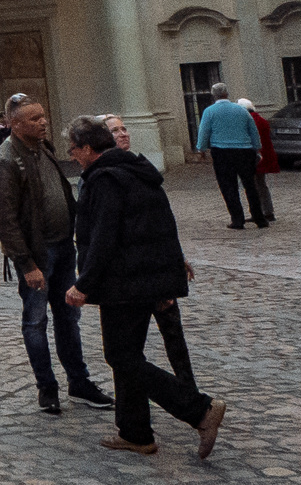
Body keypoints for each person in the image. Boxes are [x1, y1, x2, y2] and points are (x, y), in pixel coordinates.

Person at [62, 117, 228, 459]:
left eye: (74, 149)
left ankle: (198, 409)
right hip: (140, 278)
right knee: (128, 356)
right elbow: (161, 223)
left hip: (125, 282)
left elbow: (104, 238)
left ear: (89, 149)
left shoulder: (106, 179)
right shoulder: (135, 170)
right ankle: (135, 431)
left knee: (120, 356)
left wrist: (84, 284)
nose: (72, 155)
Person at [0, 95, 112, 415]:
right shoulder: (5, 160)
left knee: (68, 318)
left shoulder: (44, 149)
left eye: (42, 116)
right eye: (33, 119)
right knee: (35, 321)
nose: (43, 122)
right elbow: (6, 220)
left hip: (62, 247)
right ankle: (47, 387)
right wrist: (26, 264)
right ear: (14, 124)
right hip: (38, 256)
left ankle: (79, 382)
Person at [100, 115, 195, 385]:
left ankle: (190, 394)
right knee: (127, 350)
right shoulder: (102, 176)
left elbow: (160, 221)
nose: (123, 134)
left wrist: (178, 259)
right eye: (114, 131)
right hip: (131, 276)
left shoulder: (142, 167)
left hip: (156, 267)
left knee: (173, 335)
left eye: (123, 129)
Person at [194, 83, 266, 228]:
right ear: (227, 93)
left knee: (228, 186)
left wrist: (201, 148)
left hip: (222, 152)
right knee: (250, 185)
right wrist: (257, 148)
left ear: (213, 95)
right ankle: (259, 218)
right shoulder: (241, 110)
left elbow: (204, 131)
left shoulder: (210, 111)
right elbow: (252, 130)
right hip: (245, 151)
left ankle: (237, 219)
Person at [236, 98, 279, 224]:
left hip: (254, 157)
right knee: (260, 184)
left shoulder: (249, 121)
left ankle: (261, 212)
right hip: (263, 156)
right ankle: (266, 211)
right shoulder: (261, 120)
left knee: (255, 186)